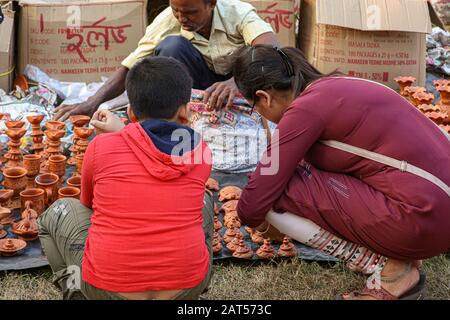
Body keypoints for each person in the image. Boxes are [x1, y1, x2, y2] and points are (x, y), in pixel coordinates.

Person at [233, 45, 450, 300]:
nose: (259, 114)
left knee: (276, 193)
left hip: (424, 218)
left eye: (254, 108)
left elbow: (254, 201)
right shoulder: (337, 84)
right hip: (436, 212)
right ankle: (399, 255)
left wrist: (264, 224)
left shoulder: (305, 109)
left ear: (264, 97)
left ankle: (392, 272)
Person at [37, 56, 214, 300]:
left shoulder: (101, 146)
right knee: (204, 200)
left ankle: (76, 292)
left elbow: (88, 205)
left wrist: (120, 135)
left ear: (130, 112)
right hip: (186, 287)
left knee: (57, 211)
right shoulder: (201, 151)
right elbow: (162, 149)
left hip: (107, 289)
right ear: (186, 112)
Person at [53, 0, 280, 121]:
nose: (182, 18)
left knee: (261, 59)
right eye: (176, 11)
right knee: (172, 46)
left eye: (190, 12)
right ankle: (183, 114)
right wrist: (92, 103)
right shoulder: (170, 19)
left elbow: (271, 45)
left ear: (211, 3)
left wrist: (237, 82)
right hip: (199, 85)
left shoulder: (237, 12)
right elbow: (131, 64)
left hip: (240, 85)